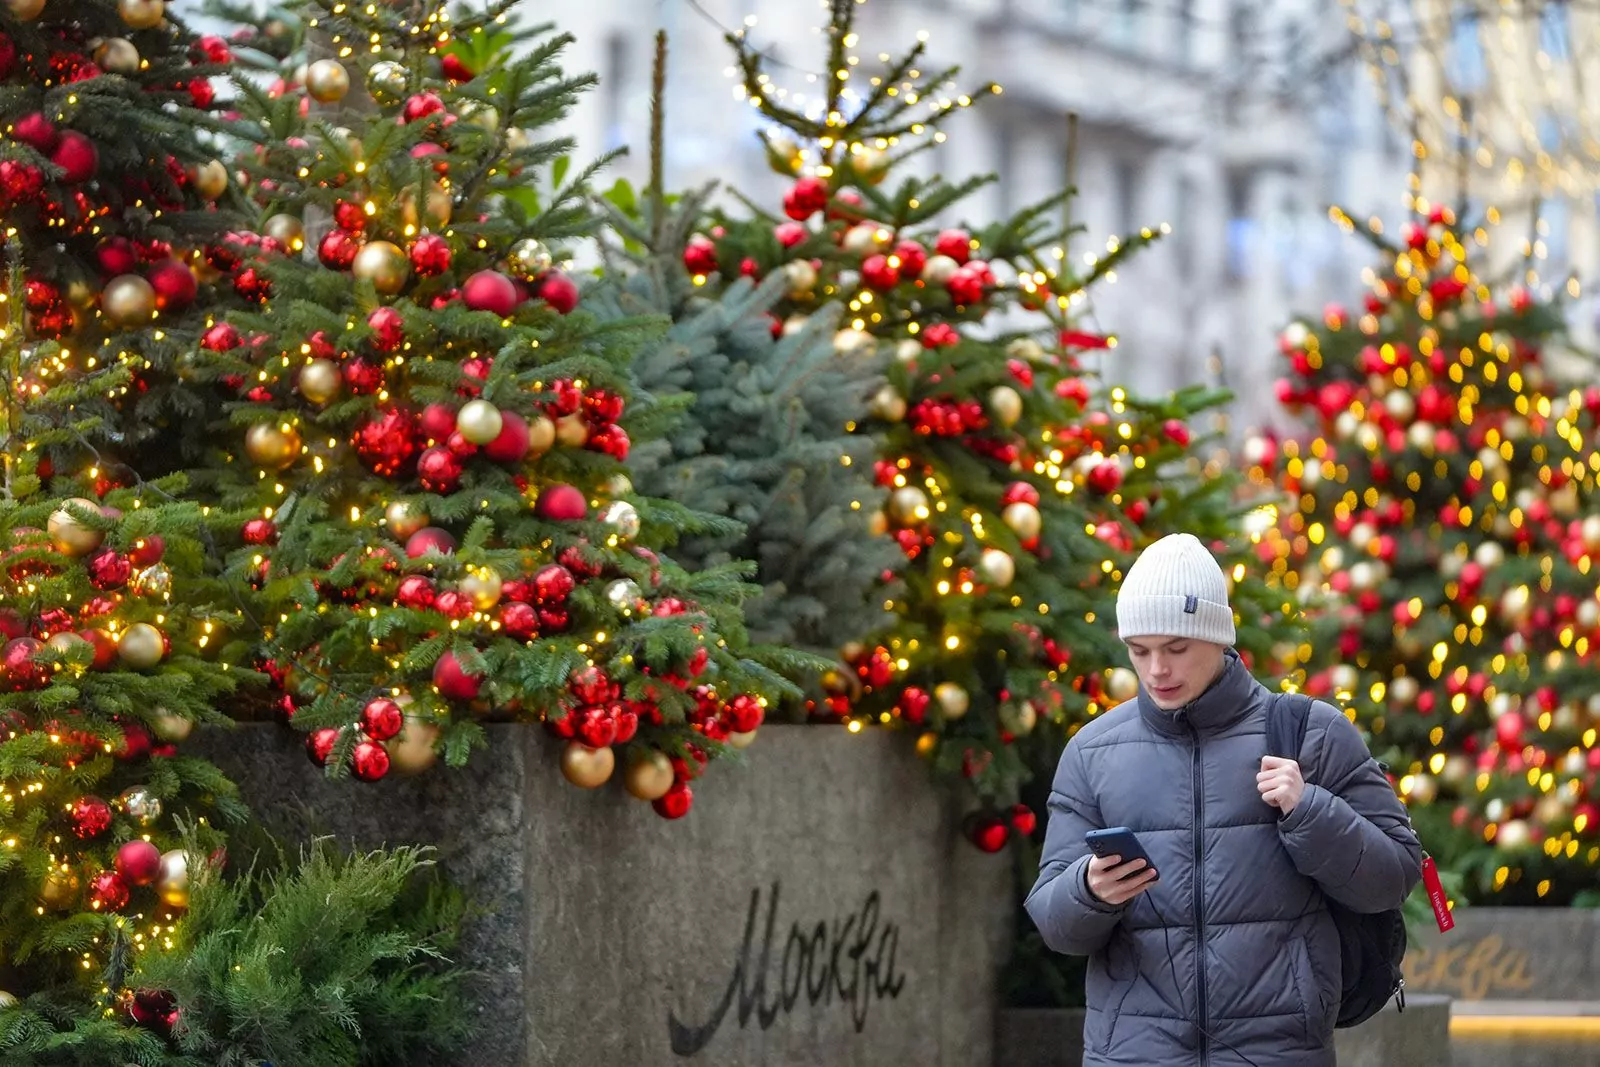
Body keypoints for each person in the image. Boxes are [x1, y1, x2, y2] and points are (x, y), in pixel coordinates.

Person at [1024, 532, 1422, 1066]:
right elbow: (1054, 925)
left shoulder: (1313, 734)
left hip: (1279, 1053)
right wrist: (1088, 889)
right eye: (1139, 651)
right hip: (1136, 1055)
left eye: (1176, 648)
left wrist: (1311, 812)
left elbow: (1394, 876)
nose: (1156, 670)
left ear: (1218, 636)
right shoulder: (1093, 752)